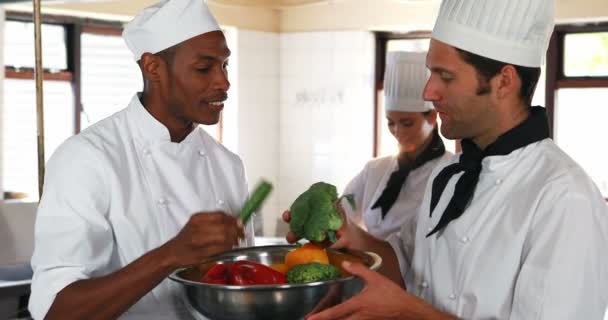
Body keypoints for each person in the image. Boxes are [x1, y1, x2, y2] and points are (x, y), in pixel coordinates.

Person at [286, 0, 608, 319]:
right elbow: (407, 265)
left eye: (446, 76)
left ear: (504, 82)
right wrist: (350, 236)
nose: (428, 91)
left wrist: (408, 313)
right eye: (431, 73)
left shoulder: (565, 199)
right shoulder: (451, 173)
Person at [28, 0, 255, 319]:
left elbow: (241, 285)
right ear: (153, 68)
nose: (223, 82)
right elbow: (56, 311)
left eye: (225, 66)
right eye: (204, 68)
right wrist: (170, 256)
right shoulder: (86, 159)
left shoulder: (227, 165)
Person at [343, 51, 451, 240]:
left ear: (432, 117)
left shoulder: (450, 172)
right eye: (390, 122)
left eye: (407, 123)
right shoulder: (375, 170)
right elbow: (341, 215)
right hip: (369, 266)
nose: (398, 131)